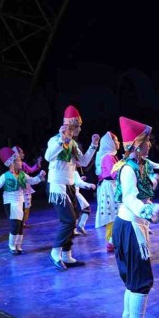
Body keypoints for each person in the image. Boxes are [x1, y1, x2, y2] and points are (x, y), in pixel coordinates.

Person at [114, 116, 159, 318]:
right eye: (146, 141)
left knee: (133, 279)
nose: (150, 144)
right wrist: (147, 210)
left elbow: (142, 190)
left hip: (132, 224)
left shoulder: (140, 164)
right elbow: (129, 197)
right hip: (131, 226)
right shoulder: (128, 169)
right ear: (136, 145)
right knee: (141, 279)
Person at [44, 105, 99, 270]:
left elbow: (83, 162)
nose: (80, 129)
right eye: (78, 126)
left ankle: (67, 255)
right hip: (57, 186)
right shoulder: (55, 140)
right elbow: (48, 156)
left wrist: (93, 145)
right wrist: (62, 140)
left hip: (69, 185)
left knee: (73, 220)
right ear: (71, 126)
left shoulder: (73, 143)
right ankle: (55, 253)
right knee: (68, 220)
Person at [0, 147, 45, 254]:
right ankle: (12, 246)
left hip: (21, 200)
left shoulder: (22, 174)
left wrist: (40, 176)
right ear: (12, 163)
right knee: (15, 224)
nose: (21, 162)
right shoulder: (6, 176)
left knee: (20, 224)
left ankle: (18, 246)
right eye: (18, 160)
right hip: (11, 201)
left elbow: (32, 180)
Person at [95, 132, 121, 252]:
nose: (118, 142)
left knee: (115, 213)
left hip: (112, 185)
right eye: (116, 140)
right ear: (109, 143)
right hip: (110, 187)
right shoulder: (108, 157)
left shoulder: (110, 156)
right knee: (114, 213)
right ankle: (112, 240)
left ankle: (113, 240)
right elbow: (114, 173)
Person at [13, 146, 42, 227]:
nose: (23, 154)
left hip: (25, 187)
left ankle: (22, 222)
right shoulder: (12, 166)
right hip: (17, 188)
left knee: (27, 204)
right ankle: (19, 221)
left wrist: (38, 164)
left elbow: (31, 170)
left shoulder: (23, 165)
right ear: (17, 154)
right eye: (21, 153)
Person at [72, 169, 96, 235]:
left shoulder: (67, 169)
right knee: (86, 209)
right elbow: (78, 183)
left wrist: (80, 179)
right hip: (75, 194)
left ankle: (73, 230)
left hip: (71, 193)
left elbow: (75, 181)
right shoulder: (73, 170)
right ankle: (80, 226)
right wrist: (90, 185)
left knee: (75, 212)